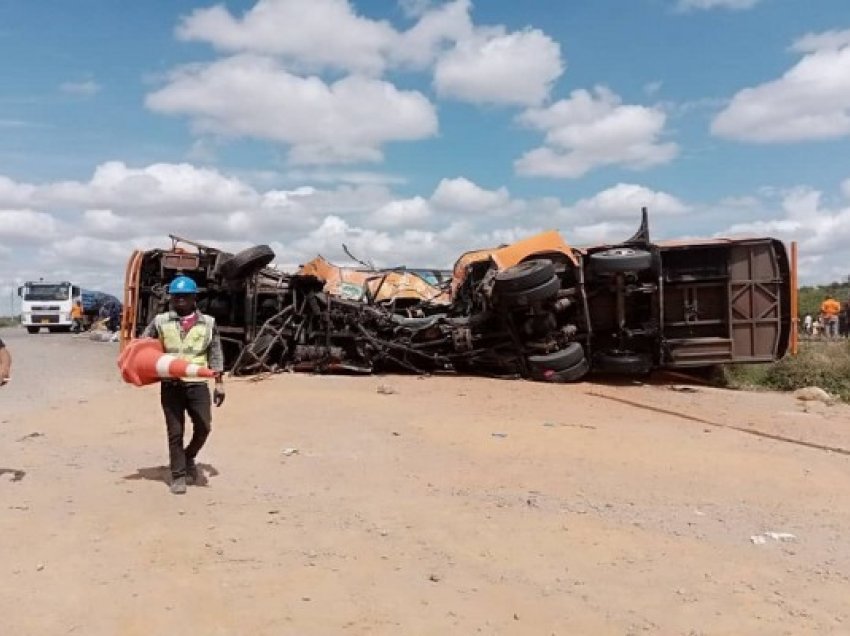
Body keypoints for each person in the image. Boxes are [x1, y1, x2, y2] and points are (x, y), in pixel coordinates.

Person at [142, 275, 225, 495]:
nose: (180, 301)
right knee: (175, 432)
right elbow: (143, 346)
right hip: (171, 385)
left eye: (184, 297)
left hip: (197, 384)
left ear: (193, 298)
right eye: (176, 297)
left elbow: (215, 353)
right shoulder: (160, 321)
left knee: (204, 427)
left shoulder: (208, 323)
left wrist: (219, 384)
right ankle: (178, 475)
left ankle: (189, 457)